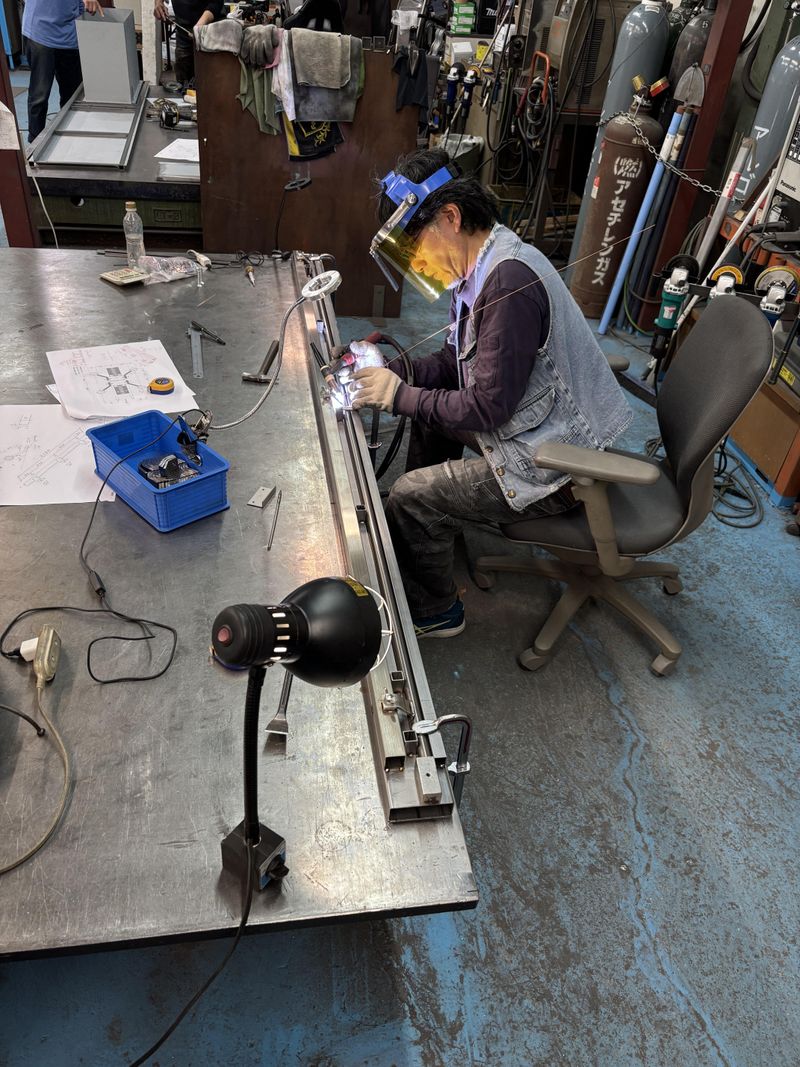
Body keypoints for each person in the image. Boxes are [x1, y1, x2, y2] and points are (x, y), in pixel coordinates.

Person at [349, 148, 633, 638]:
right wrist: (393, 371)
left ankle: (436, 610)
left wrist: (397, 396)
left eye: (415, 245)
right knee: (427, 412)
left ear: (450, 217)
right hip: (531, 426)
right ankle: (429, 529)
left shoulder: (508, 283)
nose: (417, 262)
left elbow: (487, 407)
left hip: (557, 463)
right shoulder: (478, 271)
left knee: (411, 495)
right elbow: (452, 366)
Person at [22, 0, 105, 143]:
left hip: (69, 35)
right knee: (40, 96)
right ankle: (35, 144)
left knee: (72, 96)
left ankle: (68, 141)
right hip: (41, 32)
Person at [153, 0, 224, 87]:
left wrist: (199, 26)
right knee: (183, 83)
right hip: (183, 32)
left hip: (209, 33)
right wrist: (158, 3)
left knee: (210, 82)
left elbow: (216, 3)